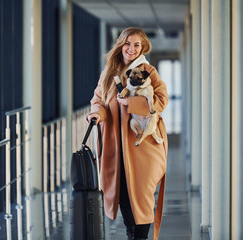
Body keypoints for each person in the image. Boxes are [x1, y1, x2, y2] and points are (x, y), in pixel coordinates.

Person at [87, 27, 169, 240]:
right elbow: (98, 100)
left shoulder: (148, 70)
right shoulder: (109, 72)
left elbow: (161, 100)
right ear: (120, 44)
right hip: (115, 145)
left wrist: (132, 103)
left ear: (142, 48)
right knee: (121, 194)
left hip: (143, 145)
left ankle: (139, 237)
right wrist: (96, 114)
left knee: (141, 198)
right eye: (127, 43)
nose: (131, 49)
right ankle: (132, 234)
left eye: (136, 45)